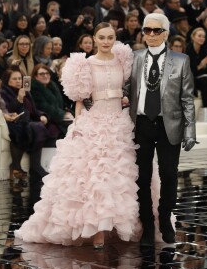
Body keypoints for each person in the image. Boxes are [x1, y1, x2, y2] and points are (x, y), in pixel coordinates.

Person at [15, 23, 145, 247]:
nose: (106, 41)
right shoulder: (83, 65)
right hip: (94, 122)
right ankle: (97, 232)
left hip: (118, 123)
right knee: (93, 178)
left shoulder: (123, 60)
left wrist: (124, 99)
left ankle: (117, 225)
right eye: (101, 37)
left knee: (118, 177)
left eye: (110, 37)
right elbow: (78, 101)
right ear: (94, 39)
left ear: (115, 38)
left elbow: (129, 89)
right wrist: (78, 125)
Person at [125, 13, 196, 246]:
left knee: (169, 174)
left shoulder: (181, 60)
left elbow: (187, 98)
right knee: (142, 178)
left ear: (166, 33)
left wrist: (190, 132)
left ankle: (165, 218)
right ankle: (147, 225)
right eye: (147, 30)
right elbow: (125, 89)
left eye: (157, 31)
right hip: (141, 124)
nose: (152, 35)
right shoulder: (134, 58)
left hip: (170, 125)